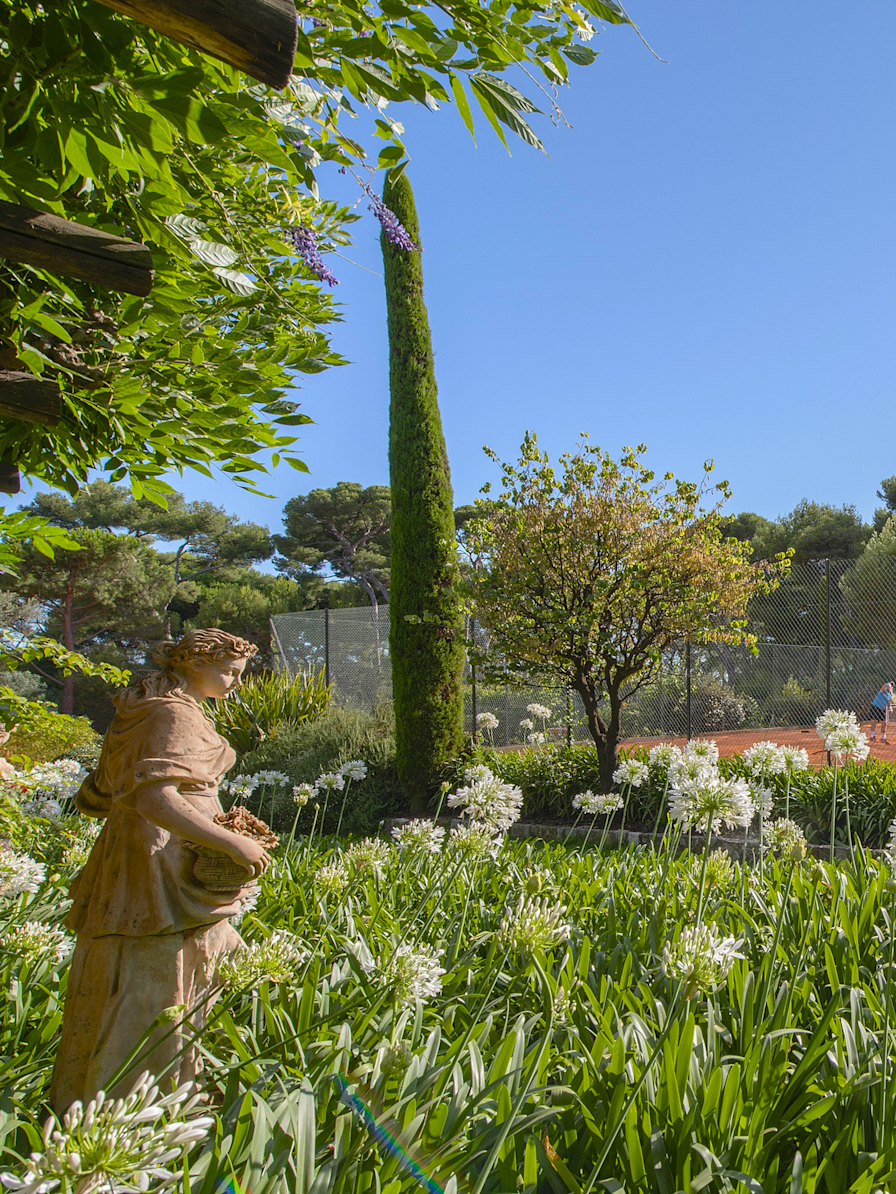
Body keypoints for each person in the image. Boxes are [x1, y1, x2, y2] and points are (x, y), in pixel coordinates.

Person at [50, 629, 269, 1113]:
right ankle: (142, 1109)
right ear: (194, 664)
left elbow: (95, 797)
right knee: (162, 977)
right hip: (160, 861)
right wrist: (232, 841)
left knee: (158, 968)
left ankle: (102, 1101)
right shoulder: (174, 714)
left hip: (135, 855)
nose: (236, 683)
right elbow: (155, 799)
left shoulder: (141, 710)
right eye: (229, 672)